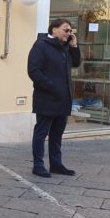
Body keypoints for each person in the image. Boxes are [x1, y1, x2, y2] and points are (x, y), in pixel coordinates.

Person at [27, 18, 81, 178]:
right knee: (41, 132)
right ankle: (38, 165)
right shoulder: (41, 46)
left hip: (63, 99)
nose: (69, 33)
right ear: (54, 29)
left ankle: (56, 164)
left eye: (70, 31)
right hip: (47, 98)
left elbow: (76, 63)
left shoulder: (65, 47)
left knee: (57, 134)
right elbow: (34, 71)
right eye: (66, 30)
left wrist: (74, 46)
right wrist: (52, 87)